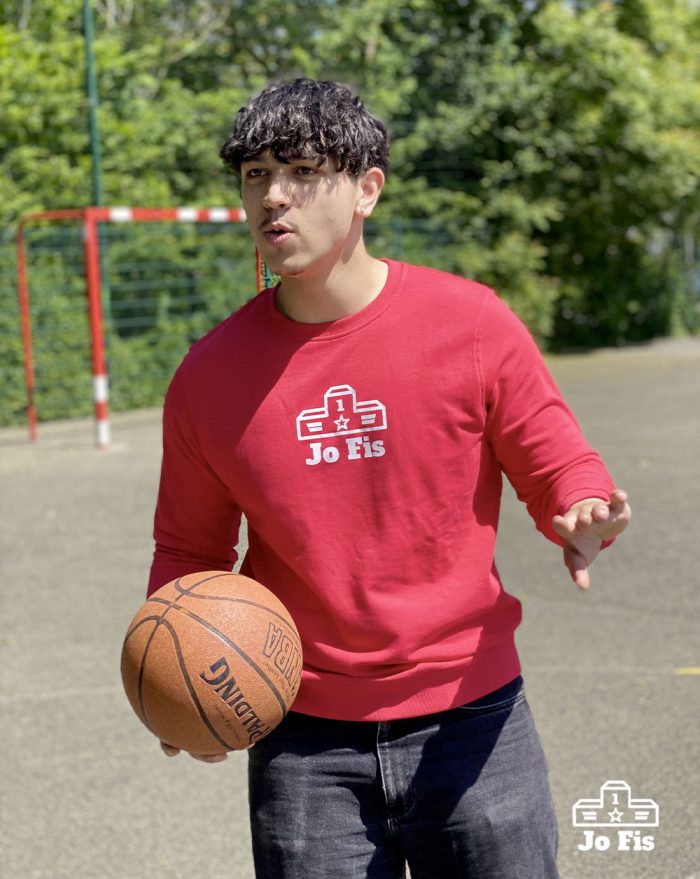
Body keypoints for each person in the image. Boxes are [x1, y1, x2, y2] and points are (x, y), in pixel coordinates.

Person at [148, 78, 631, 878]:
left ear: (368, 188)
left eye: (303, 171)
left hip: (473, 718)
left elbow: (557, 457)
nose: (275, 196)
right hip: (302, 740)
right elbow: (188, 551)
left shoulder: (469, 323)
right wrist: (176, 680)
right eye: (255, 175)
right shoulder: (208, 377)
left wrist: (582, 509)